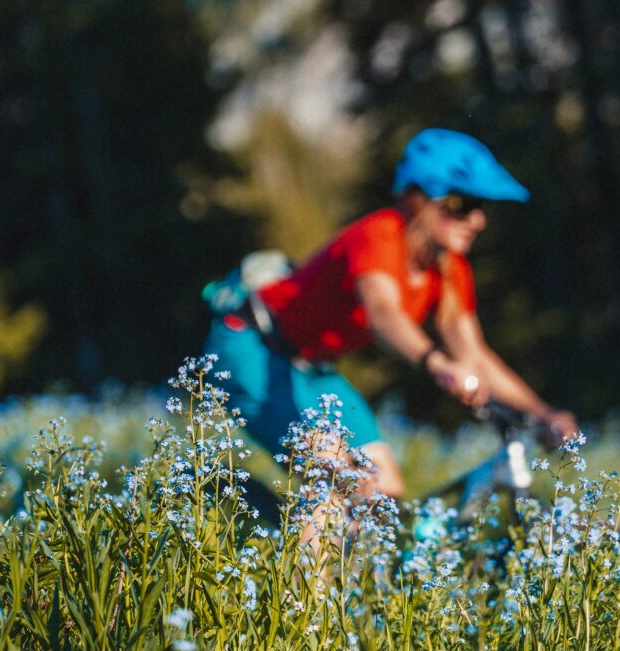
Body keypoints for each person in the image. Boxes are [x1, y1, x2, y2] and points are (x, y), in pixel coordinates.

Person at [204, 128, 578, 498]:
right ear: (420, 199)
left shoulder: (448, 270)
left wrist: (543, 414)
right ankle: (291, 555)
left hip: (312, 368)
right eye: (464, 205)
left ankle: (336, 553)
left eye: (482, 208)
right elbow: (383, 314)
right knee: (340, 480)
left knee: (384, 488)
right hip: (252, 345)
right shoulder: (380, 236)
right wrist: (437, 363)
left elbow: (475, 356)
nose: (477, 221)